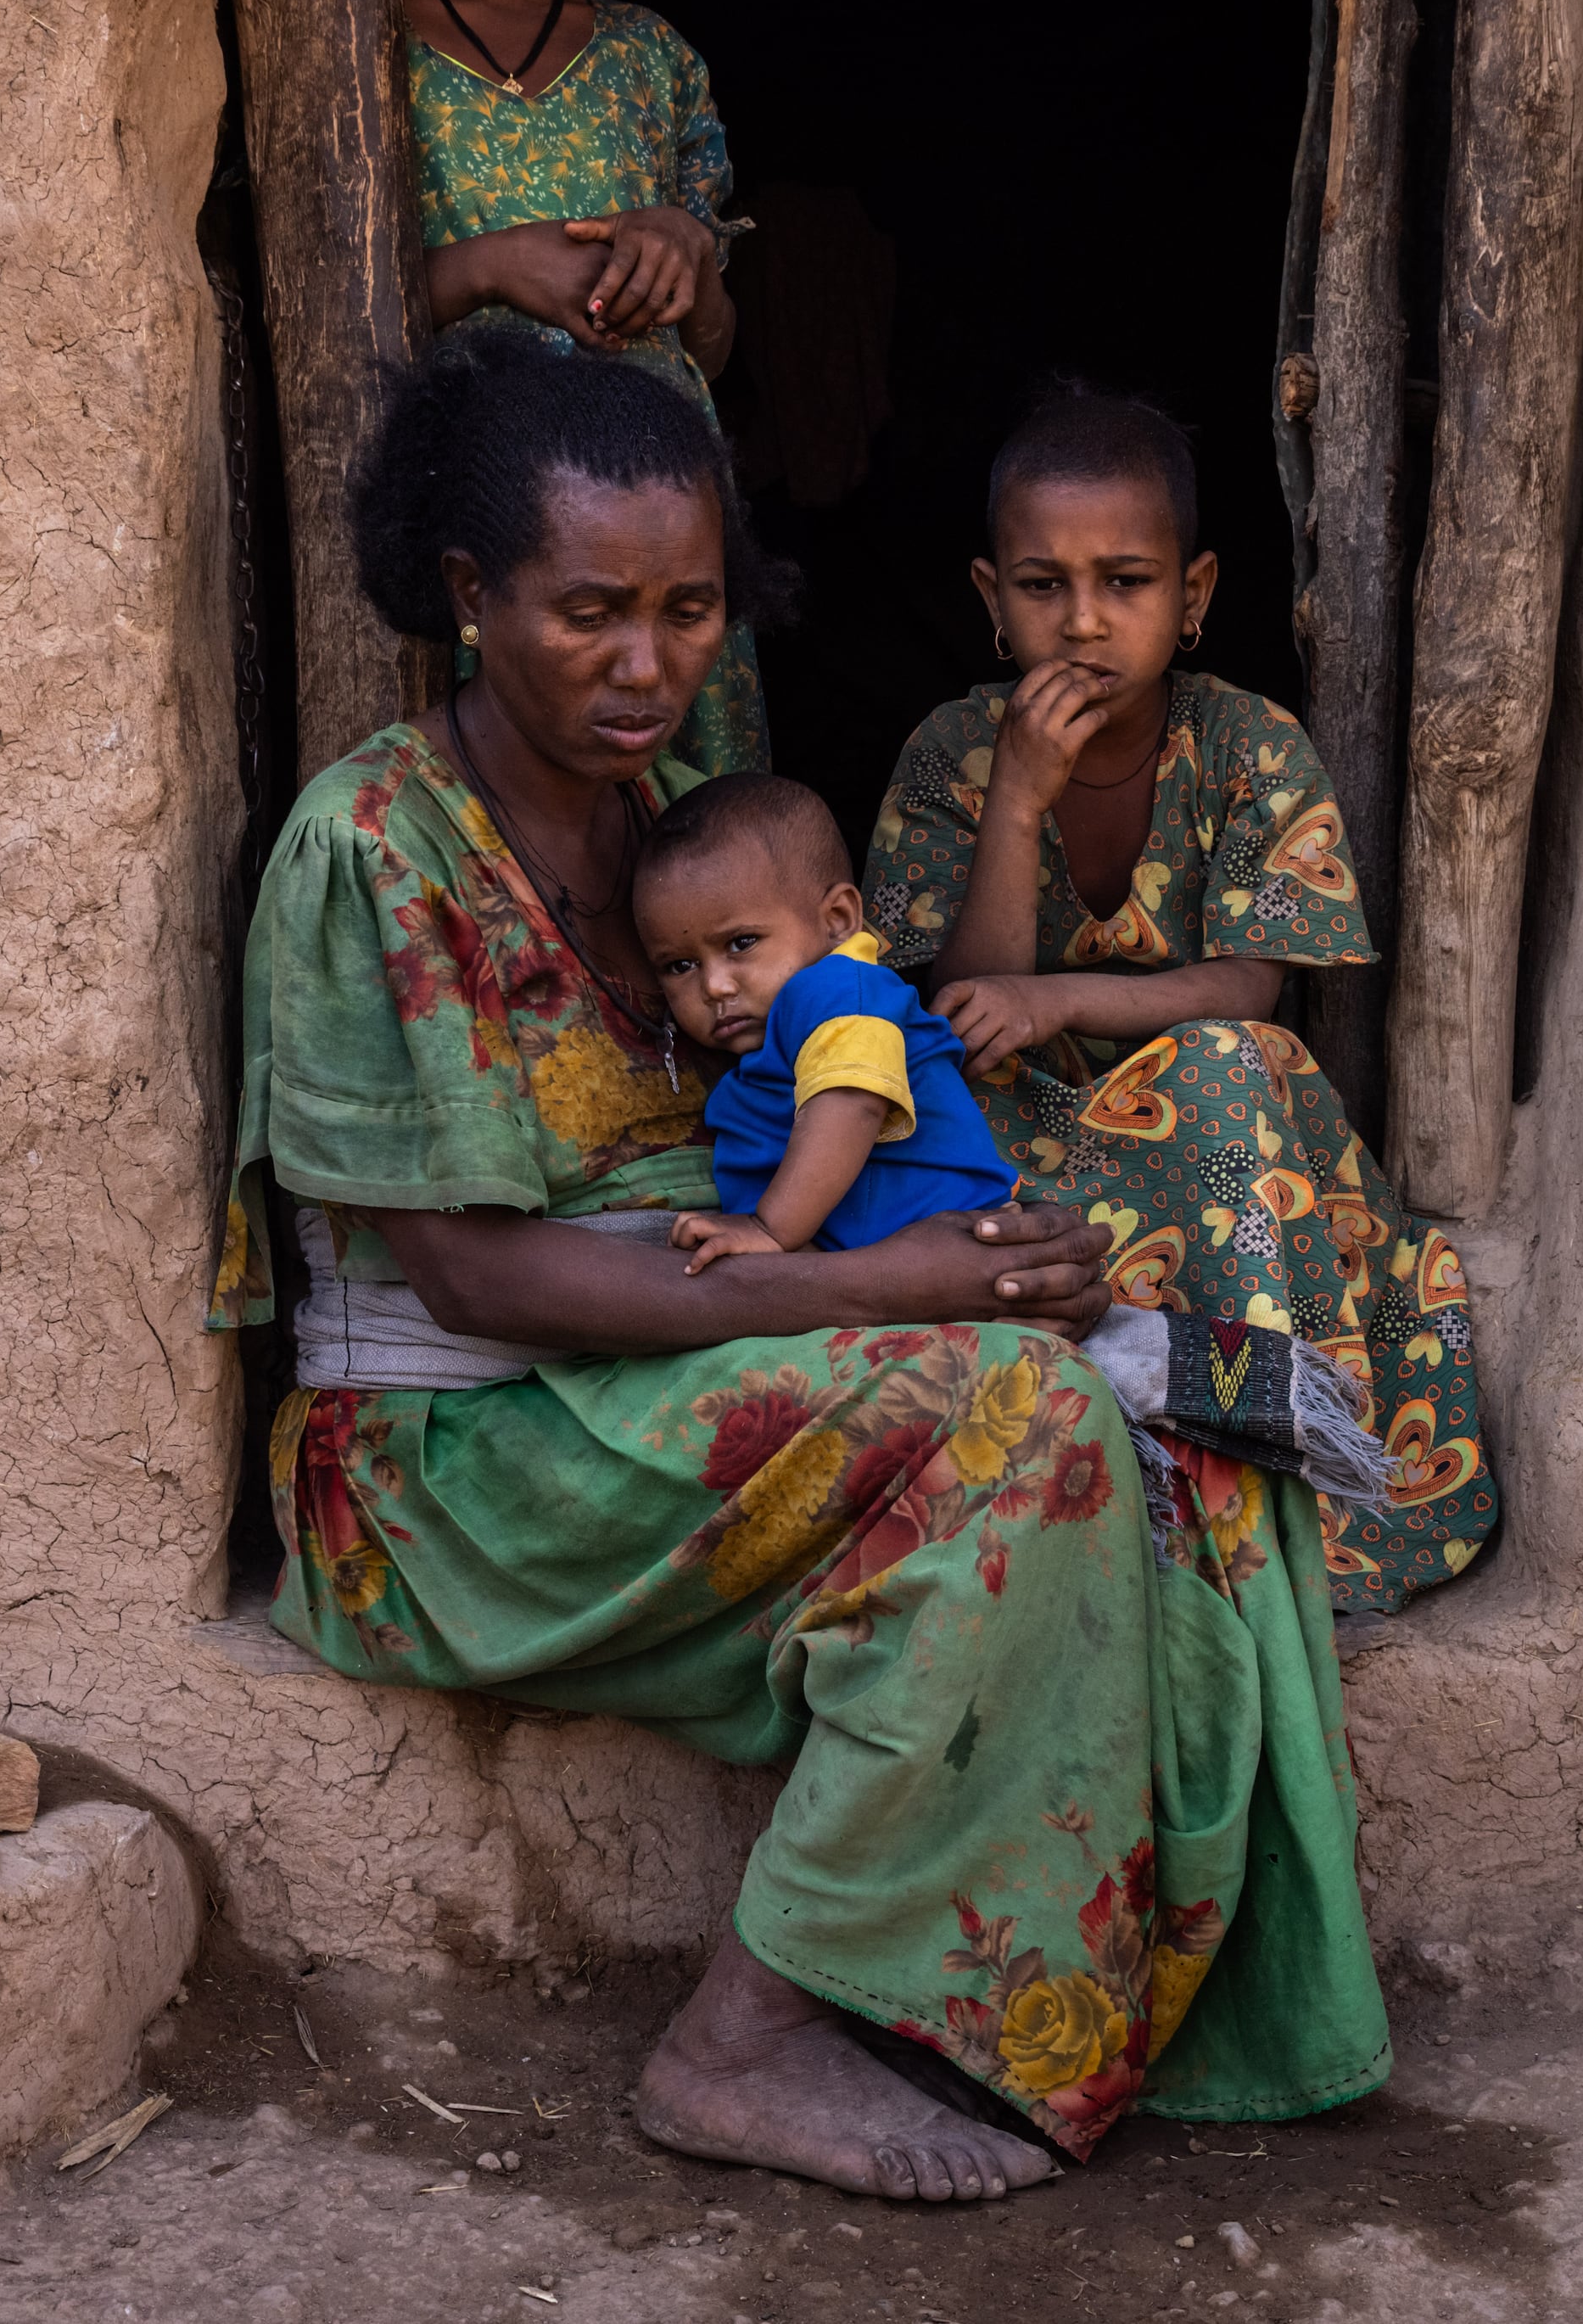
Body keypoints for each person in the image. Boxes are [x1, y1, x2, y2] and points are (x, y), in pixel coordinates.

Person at [212, 339, 1390, 2200]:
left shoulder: (686, 823)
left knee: (1177, 1437)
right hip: (460, 1462)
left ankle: (1179, 2013)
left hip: (667, 1387)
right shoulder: (379, 845)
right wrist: (902, 1288)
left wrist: (991, 1244)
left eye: (687, 610)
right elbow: (471, 1281)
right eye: (589, 611)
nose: (644, 662)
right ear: (465, 596)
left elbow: (830, 1127)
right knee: (1014, 1417)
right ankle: (742, 2033)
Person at [862, 388, 1503, 1616]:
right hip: (1036, 1139)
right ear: (992, 600)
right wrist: (1016, 800)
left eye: (1128, 581)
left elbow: (1252, 983)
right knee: (916, 1132)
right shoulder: (950, 756)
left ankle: (1294, 1503)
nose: (1084, 622)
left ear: (1195, 593)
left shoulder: (1250, 744)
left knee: (1217, 1060)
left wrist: (1054, 996)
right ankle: (1142, 1502)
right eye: (1043, 586)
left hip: (1222, 1150)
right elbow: (958, 1001)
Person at [394, 0, 766, 776]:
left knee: (689, 851)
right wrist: (487, 268)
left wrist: (686, 261)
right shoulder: (358, 52)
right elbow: (313, 302)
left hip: (659, 523)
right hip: (484, 525)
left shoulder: (652, 61)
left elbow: (715, 344)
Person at [630, 772, 1022, 1272]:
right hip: (868, 1264)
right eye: (679, 966)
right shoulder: (776, 1035)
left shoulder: (842, 993)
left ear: (837, 919)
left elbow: (853, 1103)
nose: (715, 987)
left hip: (955, 1245)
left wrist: (770, 1229)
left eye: (742, 943)